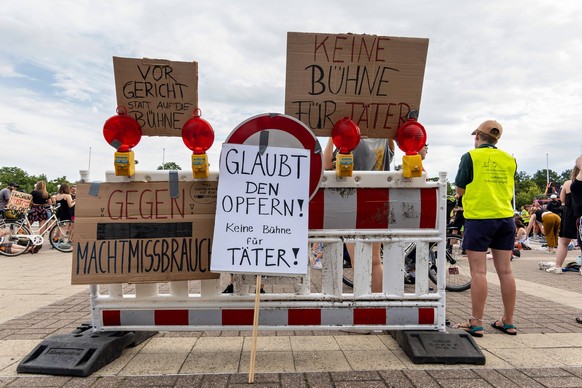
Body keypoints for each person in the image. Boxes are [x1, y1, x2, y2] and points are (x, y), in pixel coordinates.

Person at [453, 120, 517, 337]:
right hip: (506, 218)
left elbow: (460, 189)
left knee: (479, 272)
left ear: (478, 137)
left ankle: (476, 322)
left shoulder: (470, 157)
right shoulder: (510, 159)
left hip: (480, 218)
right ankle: (508, 320)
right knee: (506, 271)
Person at [323, 136, 394, 292]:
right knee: (376, 261)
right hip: (378, 203)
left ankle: (364, 304)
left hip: (353, 203)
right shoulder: (382, 140)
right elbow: (392, 151)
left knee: (358, 261)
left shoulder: (351, 141)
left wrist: (331, 136)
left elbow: (327, 164)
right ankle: (377, 305)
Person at [543, 166, 581, 273]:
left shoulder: (567, 183)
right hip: (580, 213)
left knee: (564, 242)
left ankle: (558, 266)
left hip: (569, 214)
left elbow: (563, 200)